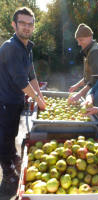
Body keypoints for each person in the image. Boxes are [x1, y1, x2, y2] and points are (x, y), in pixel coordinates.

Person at [0, 7, 46, 188]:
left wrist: (41, 96)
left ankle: (13, 157)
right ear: (14, 25)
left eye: (30, 24)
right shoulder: (10, 48)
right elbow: (21, 81)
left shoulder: (27, 47)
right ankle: (7, 173)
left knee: (13, 133)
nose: (26, 27)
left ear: (34, 26)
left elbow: (32, 76)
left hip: (16, 100)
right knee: (4, 137)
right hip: (5, 101)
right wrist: (39, 100)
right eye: (22, 23)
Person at [68, 23, 98, 103]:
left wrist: (79, 94)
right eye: (77, 41)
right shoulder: (89, 51)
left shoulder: (95, 52)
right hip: (93, 94)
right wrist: (76, 86)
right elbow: (89, 77)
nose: (79, 44)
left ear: (90, 37)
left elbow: (96, 78)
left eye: (81, 40)